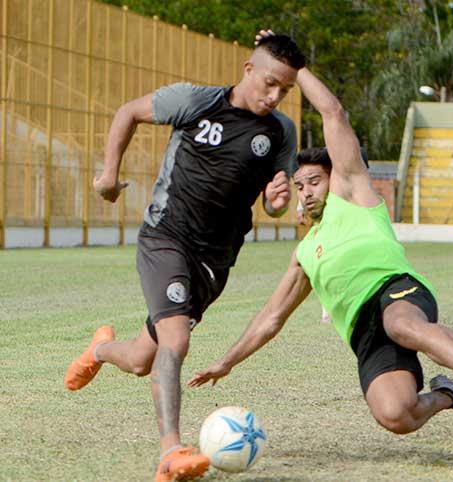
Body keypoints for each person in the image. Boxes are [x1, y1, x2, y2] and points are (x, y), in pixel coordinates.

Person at [188, 44, 453, 437]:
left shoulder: (355, 196)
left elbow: (333, 113)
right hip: (364, 330)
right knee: (396, 415)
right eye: (299, 186)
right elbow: (270, 319)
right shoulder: (304, 254)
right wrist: (227, 362)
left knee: (400, 324)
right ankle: (452, 393)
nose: (307, 191)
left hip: (396, 291)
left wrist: (295, 66)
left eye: (314, 181)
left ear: (334, 179)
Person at [64, 33, 306, 481]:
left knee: (143, 359)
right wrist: (109, 176)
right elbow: (128, 112)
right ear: (248, 70)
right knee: (175, 342)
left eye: (285, 90)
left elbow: (274, 204)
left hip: (215, 262)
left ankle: (99, 349)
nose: (275, 96)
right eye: (270, 83)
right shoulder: (195, 101)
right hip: (167, 237)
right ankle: (171, 453)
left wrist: (276, 202)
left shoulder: (280, 132)